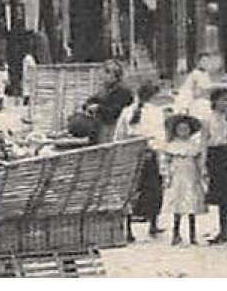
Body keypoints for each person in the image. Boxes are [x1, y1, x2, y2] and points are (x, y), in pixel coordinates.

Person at [114, 81, 166, 239]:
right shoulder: (155, 112)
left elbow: (119, 136)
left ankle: (128, 230)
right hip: (148, 153)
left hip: (131, 154)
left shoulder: (127, 111)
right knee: (153, 189)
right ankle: (153, 224)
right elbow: (160, 137)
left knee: (131, 191)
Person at [161, 113, 206, 246]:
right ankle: (176, 234)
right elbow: (166, 162)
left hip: (190, 176)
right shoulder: (171, 145)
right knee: (178, 205)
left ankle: (193, 235)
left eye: (186, 129)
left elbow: (199, 161)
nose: (183, 132)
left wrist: (201, 173)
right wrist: (167, 175)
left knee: (191, 204)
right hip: (177, 176)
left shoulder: (193, 145)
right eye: (180, 130)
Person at [201, 86, 227, 245]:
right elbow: (203, 142)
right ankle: (223, 230)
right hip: (214, 155)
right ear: (214, 101)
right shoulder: (208, 119)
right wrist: (202, 163)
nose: (226, 103)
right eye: (223, 100)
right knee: (221, 195)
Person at [84, 60, 133, 145]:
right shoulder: (106, 88)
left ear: (112, 74)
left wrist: (98, 108)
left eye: (104, 75)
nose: (102, 77)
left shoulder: (122, 90)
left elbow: (116, 111)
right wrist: (88, 106)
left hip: (114, 126)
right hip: (100, 124)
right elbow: (92, 99)